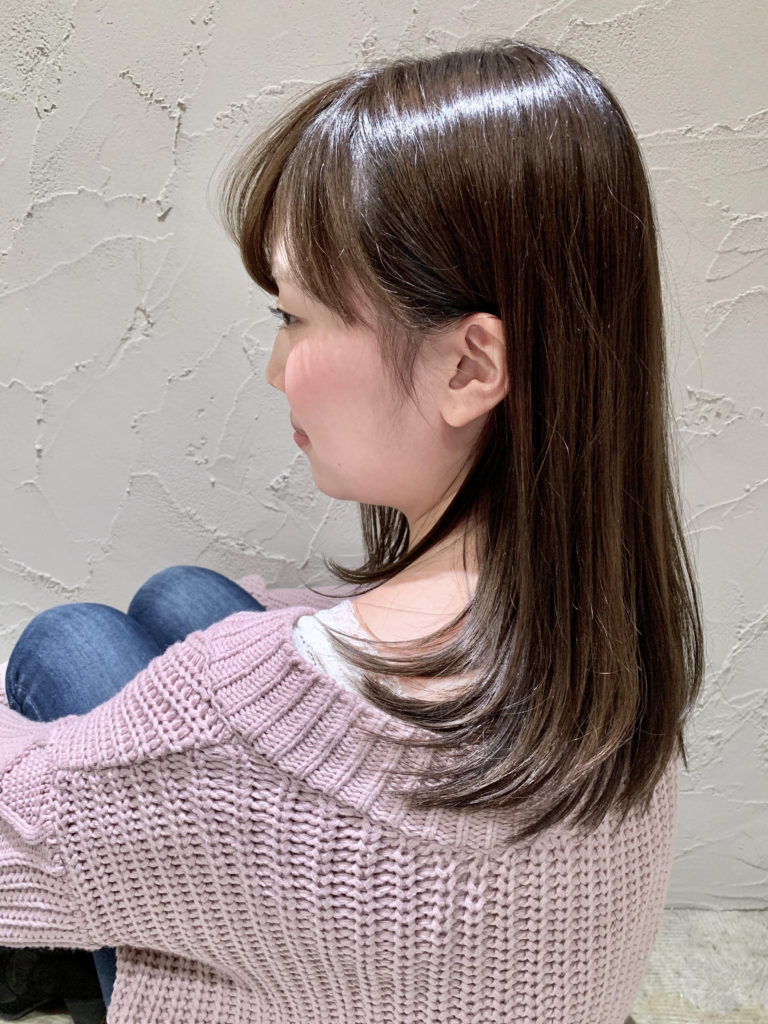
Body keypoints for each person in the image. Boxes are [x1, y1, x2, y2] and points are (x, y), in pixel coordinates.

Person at [0, 39, 703, 1024]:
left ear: (470, 367)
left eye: (294, 317)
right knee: (178, 599)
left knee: (65, 638)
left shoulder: (232, 715)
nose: (274, 368)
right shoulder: (620, 624)